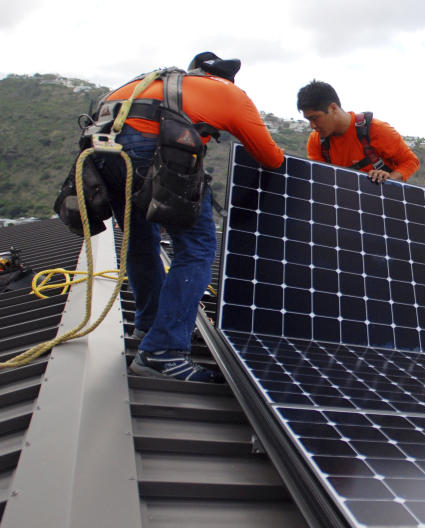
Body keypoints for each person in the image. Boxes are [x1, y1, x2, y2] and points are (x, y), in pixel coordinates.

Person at [95, 52, 285, 382]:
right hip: (146, 150)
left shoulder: (157, 83)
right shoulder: (229, 94)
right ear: (226, 79)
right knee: (196, 248)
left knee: (141, 240)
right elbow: (271, 157)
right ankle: (163, 351)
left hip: (102, 150)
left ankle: (150, 326)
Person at [296, 80, 419, 182]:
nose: (312, 126)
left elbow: (411, 161)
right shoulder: (316, 141)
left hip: (383, 202)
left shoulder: (376, 130)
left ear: (333, 108)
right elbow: (322, 179)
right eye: (308, 120)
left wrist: (389, 179)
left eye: (315, 118)